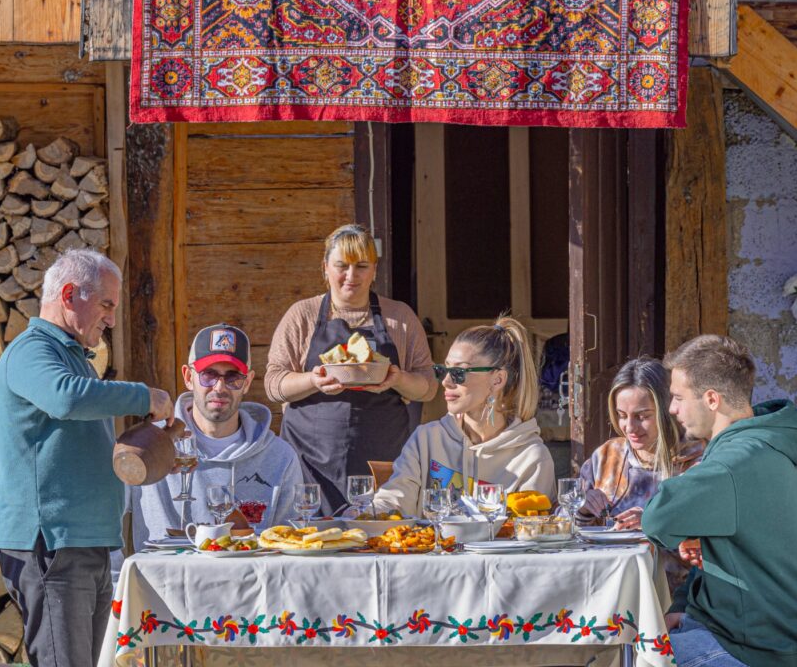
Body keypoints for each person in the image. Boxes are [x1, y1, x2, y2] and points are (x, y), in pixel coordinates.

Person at [0, 248, 176, 667]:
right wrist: (143, 396)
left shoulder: (72, 356)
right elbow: (67, 398)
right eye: (107, 305)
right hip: (51, 544)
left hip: (81, 542)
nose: (111, 319)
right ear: (70, 295)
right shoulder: (31, 352)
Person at [642, 335, 797, 667]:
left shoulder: (732, 463)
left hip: (753, 648)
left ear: (711, 399)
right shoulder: (760, 445)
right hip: (753, 632)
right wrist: (682, 605)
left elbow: (656, 519)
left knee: (618, 652)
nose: (672, 409)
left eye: (678, 397)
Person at [266, 224, 437, 512]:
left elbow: (428, 387)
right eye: (341, 266)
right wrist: (313, 381)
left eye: (361, 266)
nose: (351, 275)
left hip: (382, 458)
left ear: (374, 270)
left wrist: (397, 379)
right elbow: (273, 384)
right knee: (312, 535)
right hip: (309, 463)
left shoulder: (400, 317)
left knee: (380, 533)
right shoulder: (302, 315)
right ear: (325, 268)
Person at [131, 324, 305, 546]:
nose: (220, 387)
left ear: (247, 382)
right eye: (209, 375)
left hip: (249, 569)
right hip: (164, 569)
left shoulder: (280, 457)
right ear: (188, 377)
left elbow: (291, 544)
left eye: (233, 377)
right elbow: (107, 512)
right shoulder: (149, 445)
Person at [373, 317, 555, 516]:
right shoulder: (426, 439)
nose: (446, 381)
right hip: (430, 538)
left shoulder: (531, 457)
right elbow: (394, 499)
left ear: (497, 380)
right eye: (443, 370)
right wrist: (363, 514)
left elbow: (532, 527)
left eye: (459, 372)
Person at [575, 356, 704, 531]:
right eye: (622, 415)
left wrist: (654, 521)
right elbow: (559, 527)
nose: (629, 427)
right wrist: (582, 510)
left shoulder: (698, 463)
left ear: (668, 412)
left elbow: (710, 531)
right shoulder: (607, 456)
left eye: (642, 417)